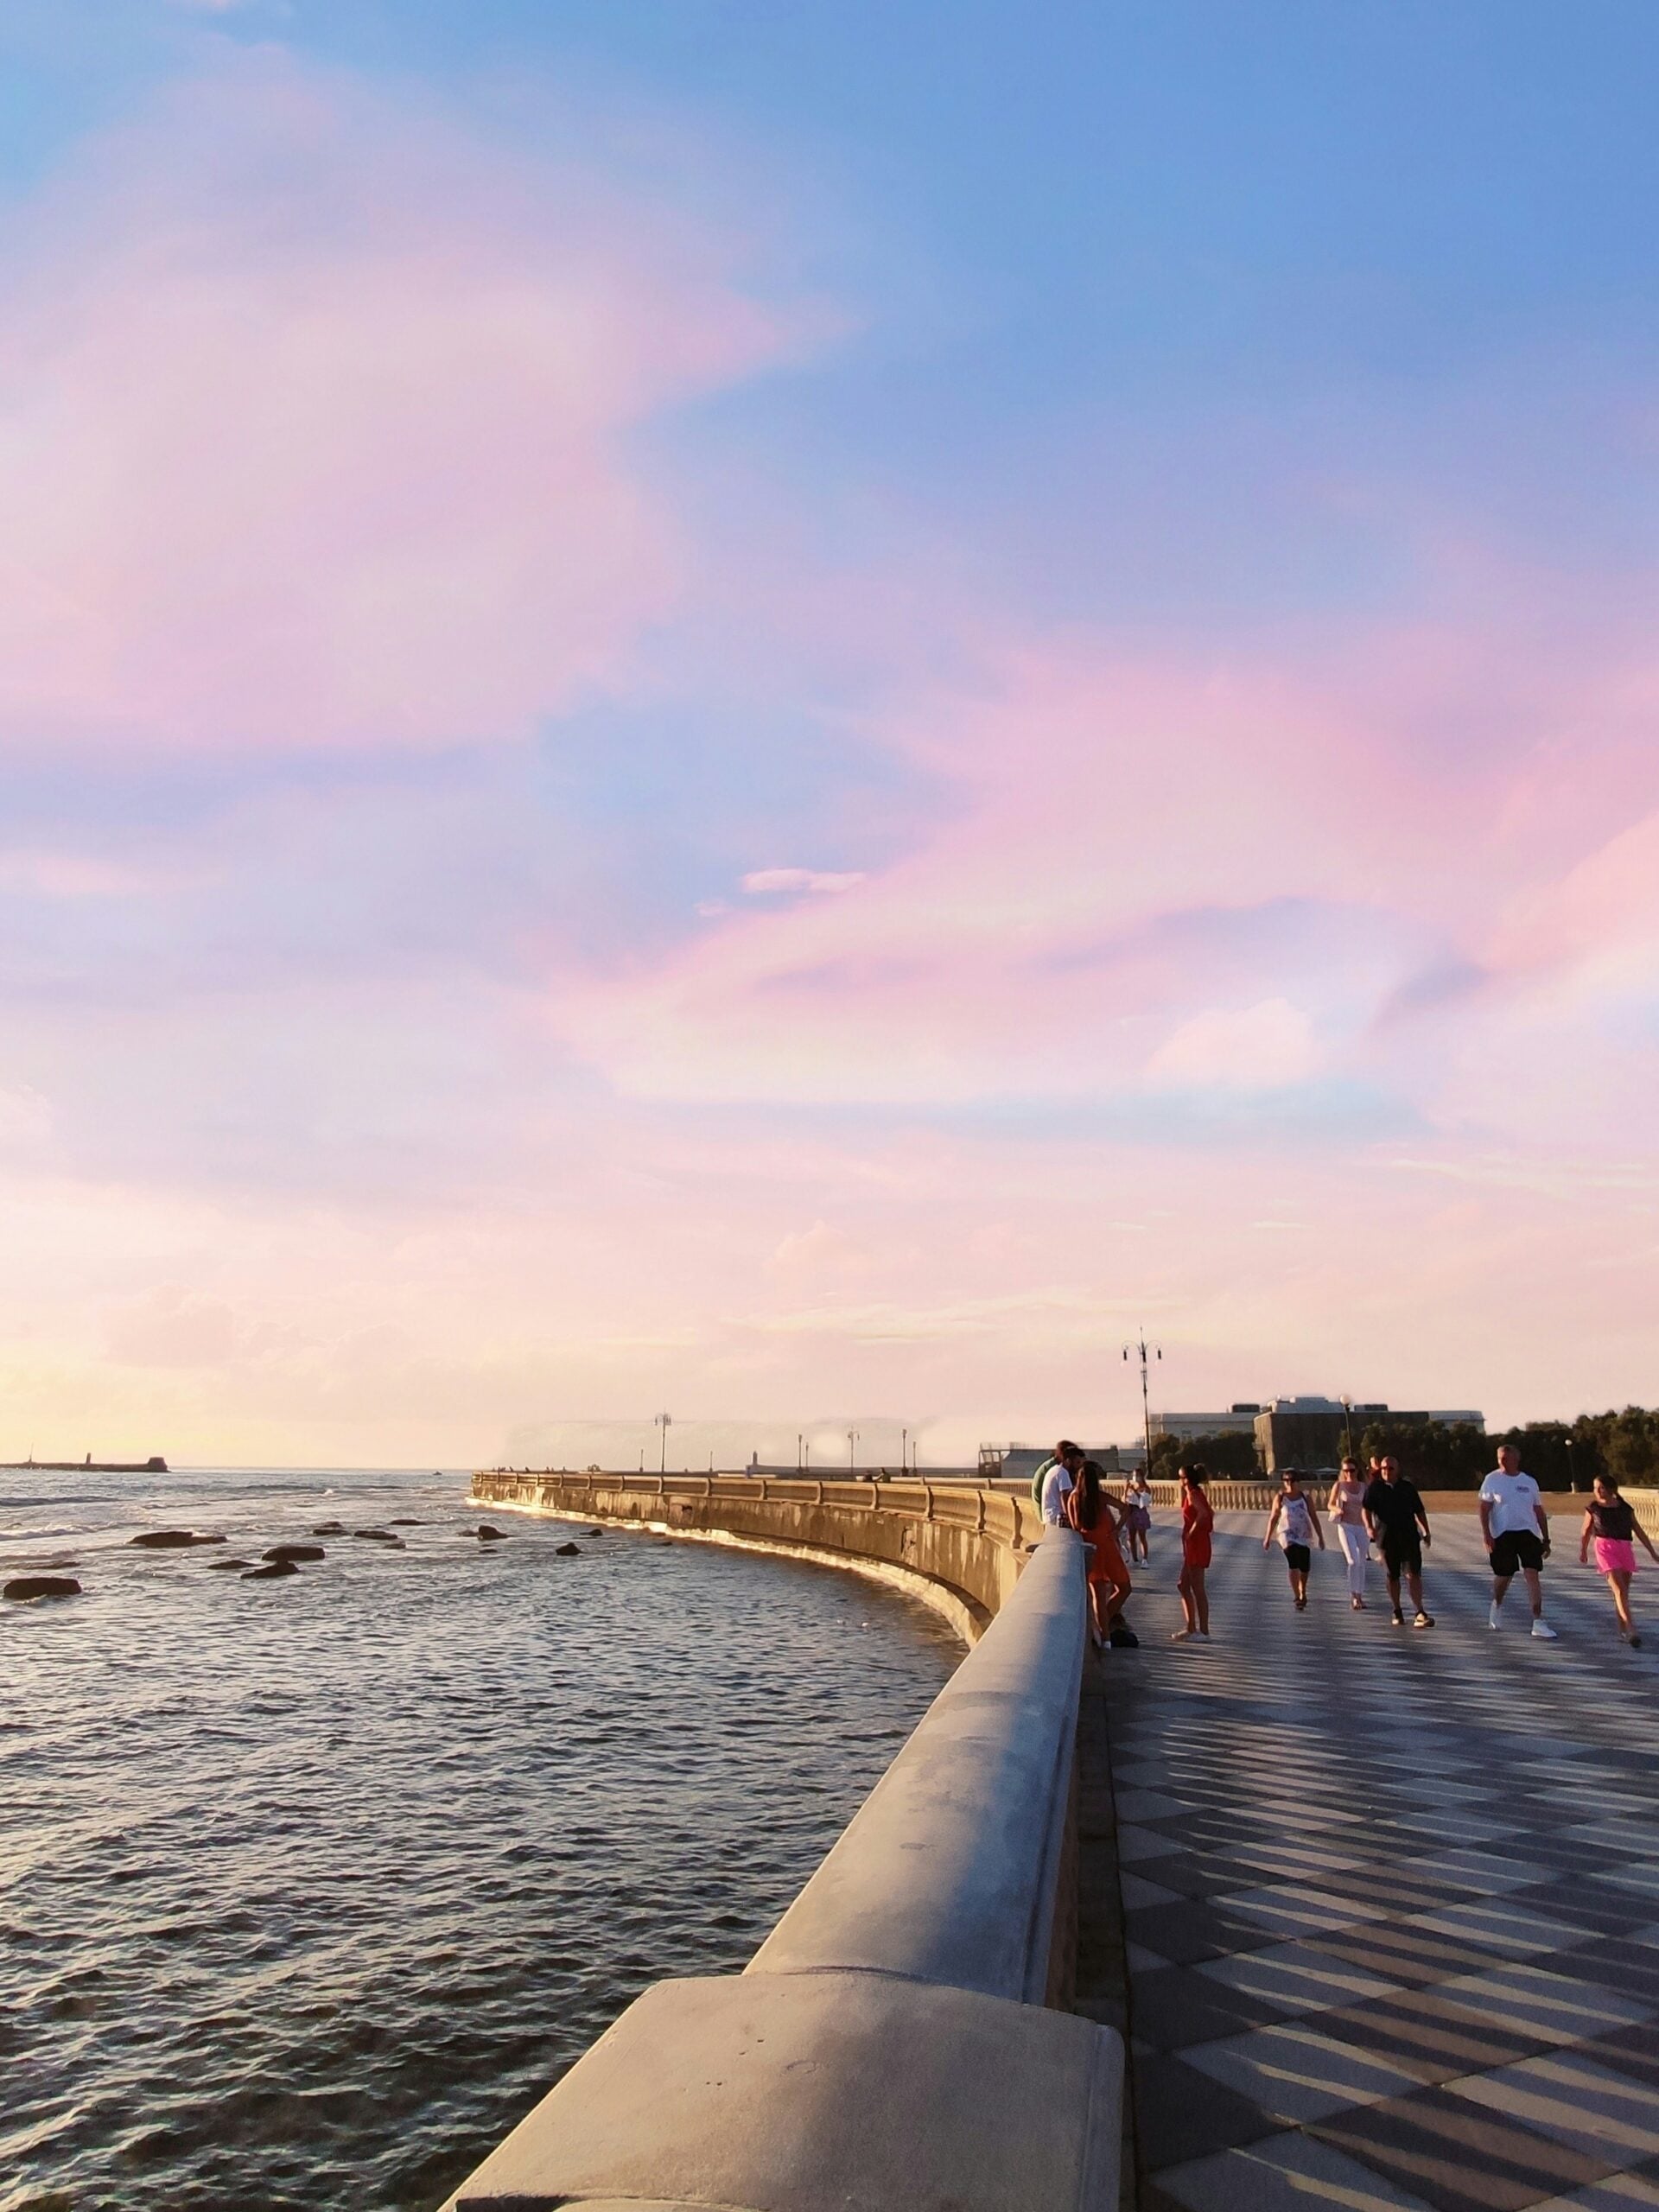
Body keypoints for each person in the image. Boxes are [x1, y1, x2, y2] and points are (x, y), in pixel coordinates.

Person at [1479, 1442, 1557, 1639]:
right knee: (1505, 1575)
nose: (1502, 1461)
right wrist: (1487, 1534)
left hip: (1528, 1533)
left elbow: (1539, 1511)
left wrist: (1545, 1538)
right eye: (1500, 1458)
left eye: (1506, 1457)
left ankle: (1538, 1621)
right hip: (1503, 1534)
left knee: (1532, 1573)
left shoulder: (1529, 1482)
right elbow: (1484, 1509)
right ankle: (1497, 1603)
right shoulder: (1492, 1480)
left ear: (1516, 1458)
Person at [1580, 1475, 1657, 1647]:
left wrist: (1652, 1552)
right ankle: (1632, 1630)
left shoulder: (1625, 1508)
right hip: (1604, 1548)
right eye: (1595, 1488)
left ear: (1611, 1489)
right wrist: (1583, 1550)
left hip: (1624, 1548)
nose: (1597, 1492)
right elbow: (1585, 1531)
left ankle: (1622, 1630)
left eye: (1601, 1488)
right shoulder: (1593, 1508)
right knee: (1619, 1590)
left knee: (1622, 1593)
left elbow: (1639, 1531)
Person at [1066, 1459, 1134, 1648]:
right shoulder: (1101, 1497)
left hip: (1090, 1549)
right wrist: (1117, 1529)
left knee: (1097, 1592)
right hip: (1107, 1546)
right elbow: (1126, 1509)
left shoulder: (1073, 1498)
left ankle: (1104, 1638)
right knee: (1124, 1588)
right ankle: (1103, 1628)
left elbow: (1074, 1527)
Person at [1363, 1455, 1433, 1628]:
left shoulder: (1407, 1487)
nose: (1386, 1471)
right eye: (1384, 1468)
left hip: (1409, 1537)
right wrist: (1369, 1528)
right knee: (1392, 1575)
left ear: (1397, 1470)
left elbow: (1419, 1510)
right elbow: (1366, 1509)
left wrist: (1426, 1530)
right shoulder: (1375, 1488)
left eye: (1390, 1468)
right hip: (1386, 1539)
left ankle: (1419, 1611)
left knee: (1413, 1574)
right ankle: (1397, 1609)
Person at [1262, 1468, 1325, 1609]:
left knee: (1305, 1566)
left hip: (1304, 1535)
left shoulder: (1305, 1497)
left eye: (1292, 1480)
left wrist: (1320, 1537)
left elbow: (1314, 1517)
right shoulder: (1280, 1498)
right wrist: (1267, 1537)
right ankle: (1297, 1595)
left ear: (1298, 1482)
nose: (1289, 1483)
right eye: (1286, 1480)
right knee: (1293, 1560)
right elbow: (1273, 1518)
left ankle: (1303, 1590)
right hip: (1286, 1534)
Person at [1174, 1463, 1213, 1640]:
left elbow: (1204, 1514)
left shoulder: (1193, 1494)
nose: (1180, 1481)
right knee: (1183, 1585)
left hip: (1197, 1544)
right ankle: (1190, 1627)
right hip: (1193, 1545)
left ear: (1188, 1479)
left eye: (1182, 1477)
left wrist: (1191, 1532)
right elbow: (1209, 1512)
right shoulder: (1194, 1494)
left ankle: (1203, 1631)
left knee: (1198, 1588)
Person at [1327, 1458, 1372, 1611]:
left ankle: (1360, 1595)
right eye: (1346, 1471)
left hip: (1362, 1527)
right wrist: (1337, 1509)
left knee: (1361, 1562)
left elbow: (1370, 1505)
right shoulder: (1339, 1486)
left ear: (1357, 1471)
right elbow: (1330, 1503)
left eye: (1351, 1470)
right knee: (1352, 1561)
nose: (1349, 1474)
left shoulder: (1364, 1486)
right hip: (1346, 1526)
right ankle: (1353, 1596)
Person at [1035, 1440, 1082, 1525]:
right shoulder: (1063, 1473)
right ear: (1068, 1461)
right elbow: (1064, 1497)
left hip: (1048, 1516)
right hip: (1056, 1516)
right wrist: (1071, 1519)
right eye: (1077, 1462)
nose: (1079, 1467)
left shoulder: (1054, 1470)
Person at [1122, 1466, 1154, 1563]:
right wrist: (1126, 1490)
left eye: (1137, 1475)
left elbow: (1143, 1501)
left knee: (1142, 1536)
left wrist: (1135, 1491)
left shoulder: (1146, 1488)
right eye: (1134, 1475)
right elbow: (1123, 1500)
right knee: (1131, 1537)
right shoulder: (1132, 1487)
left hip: (1140, 1513)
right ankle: (1134, 1557)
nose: (1136, 1477)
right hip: (1131, 1512)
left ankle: (1145, 1558)